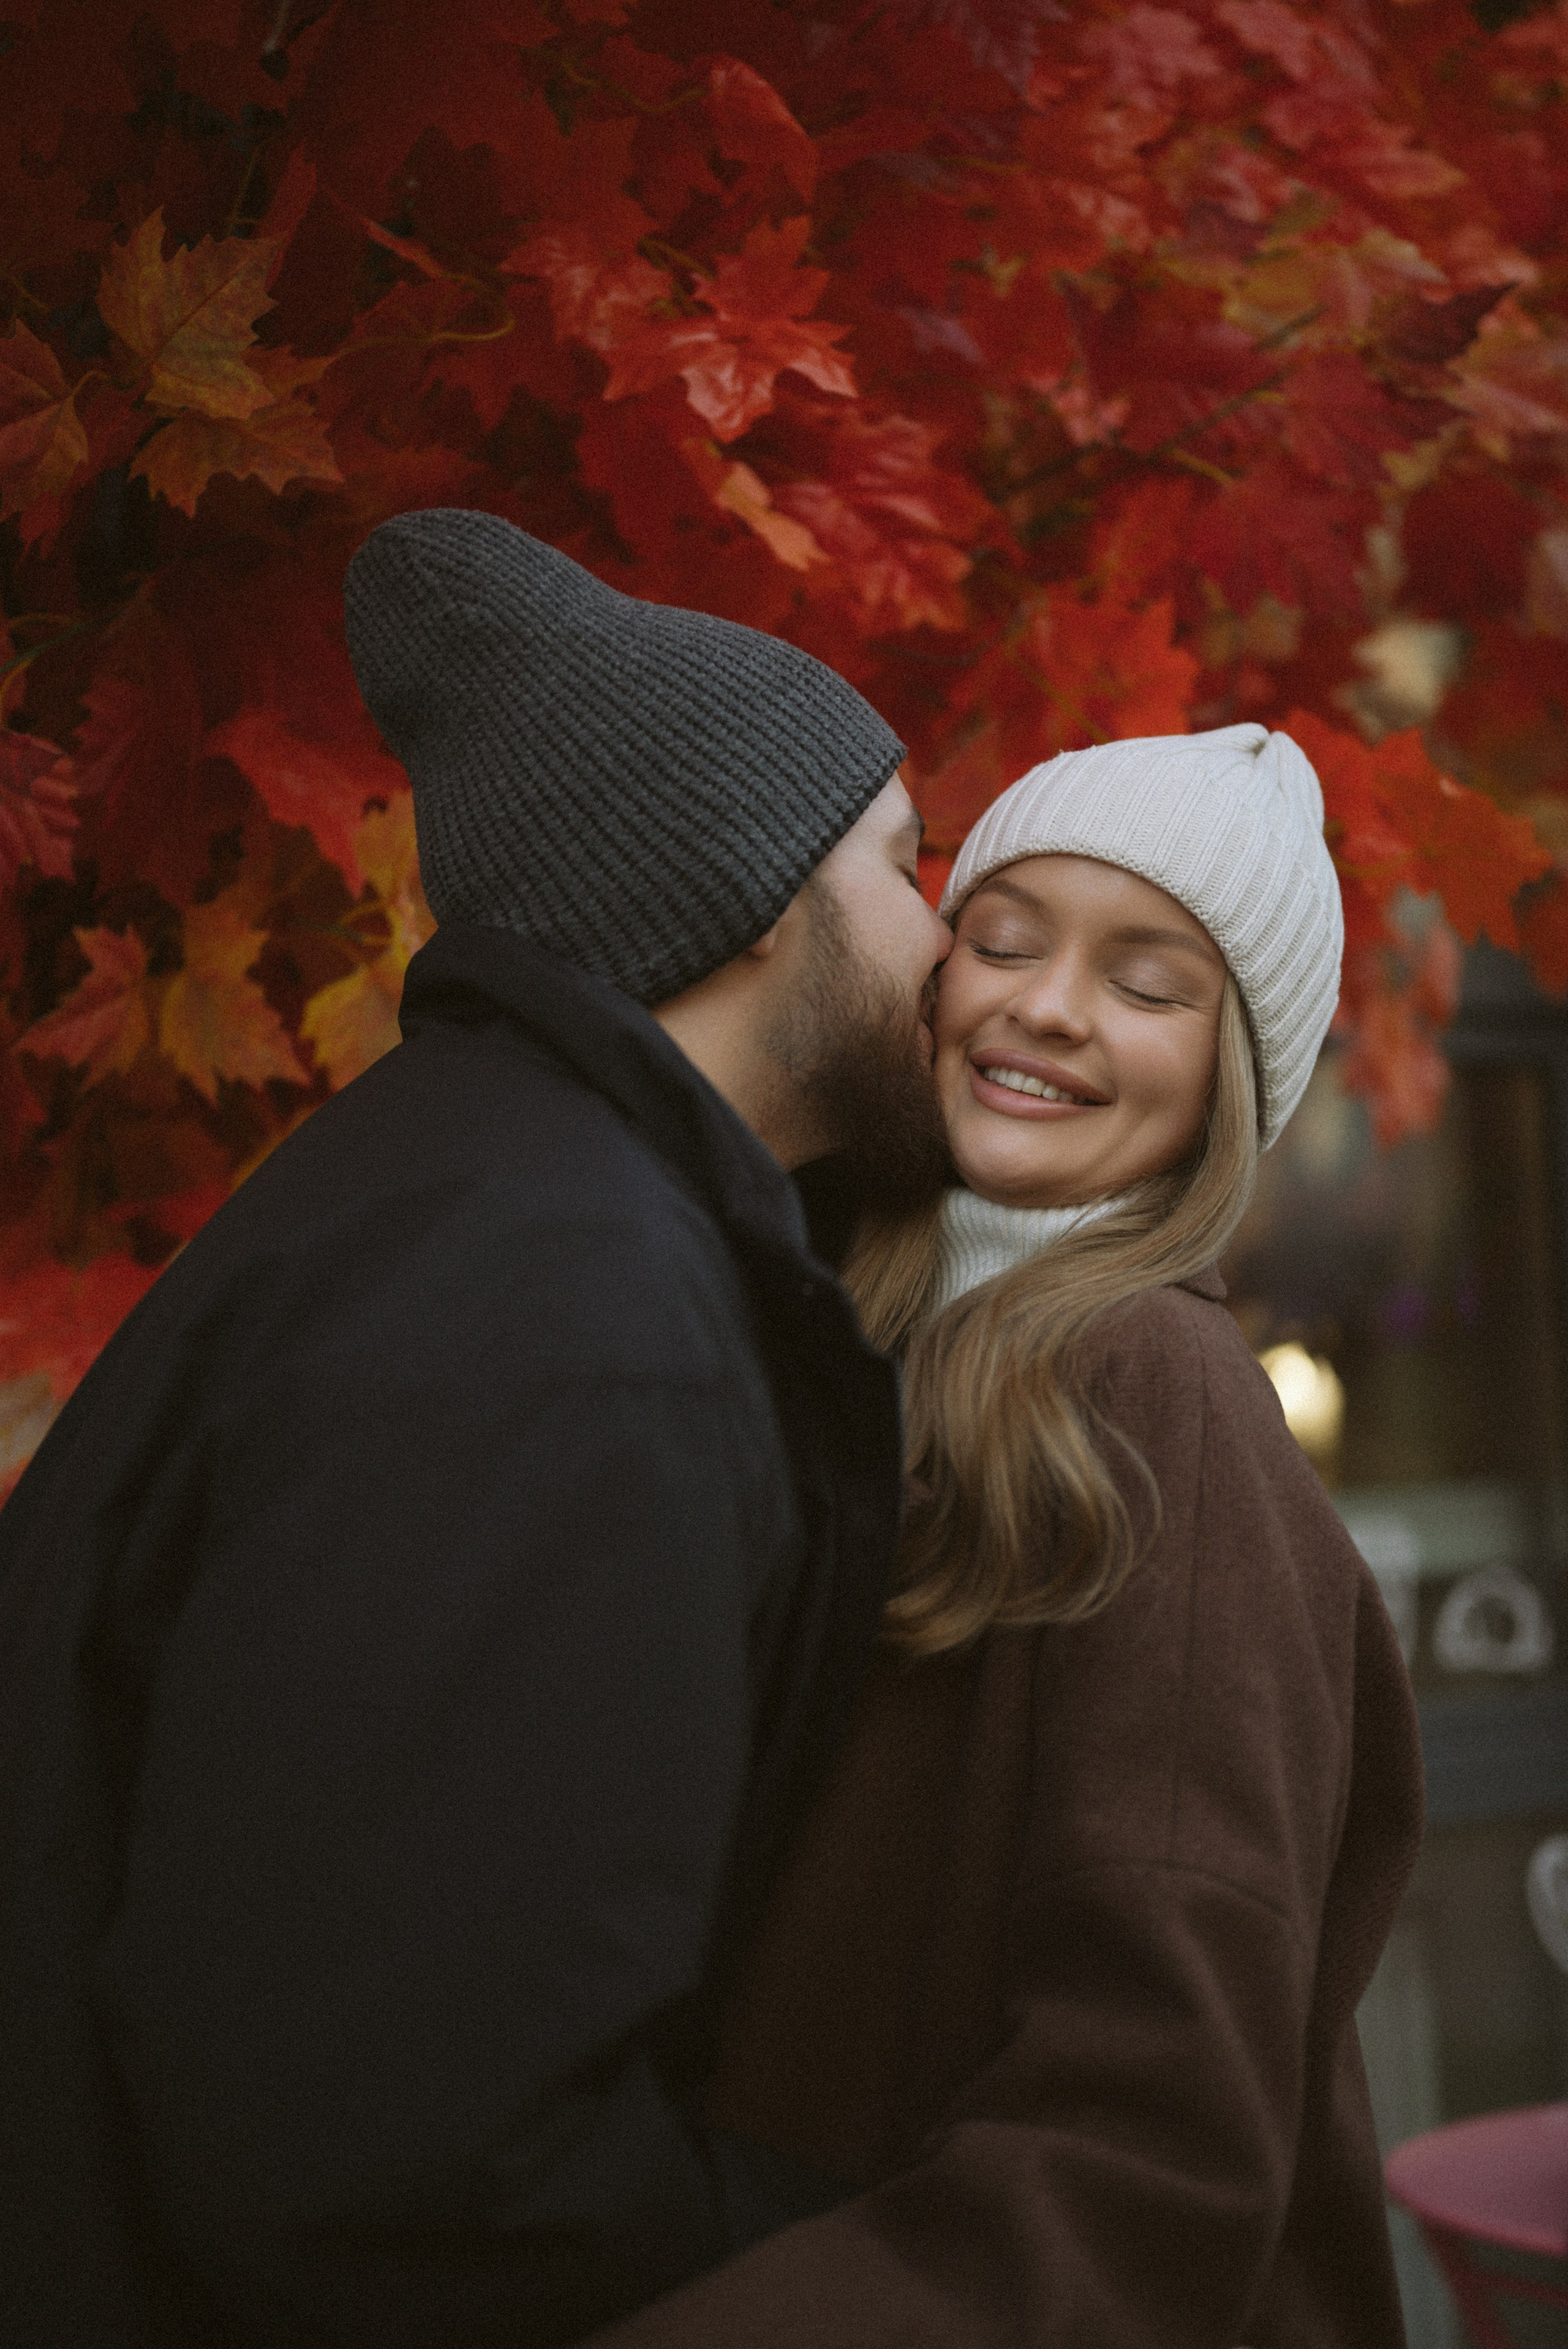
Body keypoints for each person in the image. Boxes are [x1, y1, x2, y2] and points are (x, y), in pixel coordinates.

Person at [0, 510, 954, 2348]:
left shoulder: (474, 1203)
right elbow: (410, 2161)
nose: (946, 942)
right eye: (905, 865)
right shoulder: (572, 1311)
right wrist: (866, 2264)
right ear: (761, 891)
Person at [586, 725, 1425, 2349]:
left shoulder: (1157, 1394)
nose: (1047, 1005)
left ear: (1230, 1082)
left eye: (1149, 982)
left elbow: (1151, 2148)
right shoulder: (838, 1333)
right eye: (1007, 937)